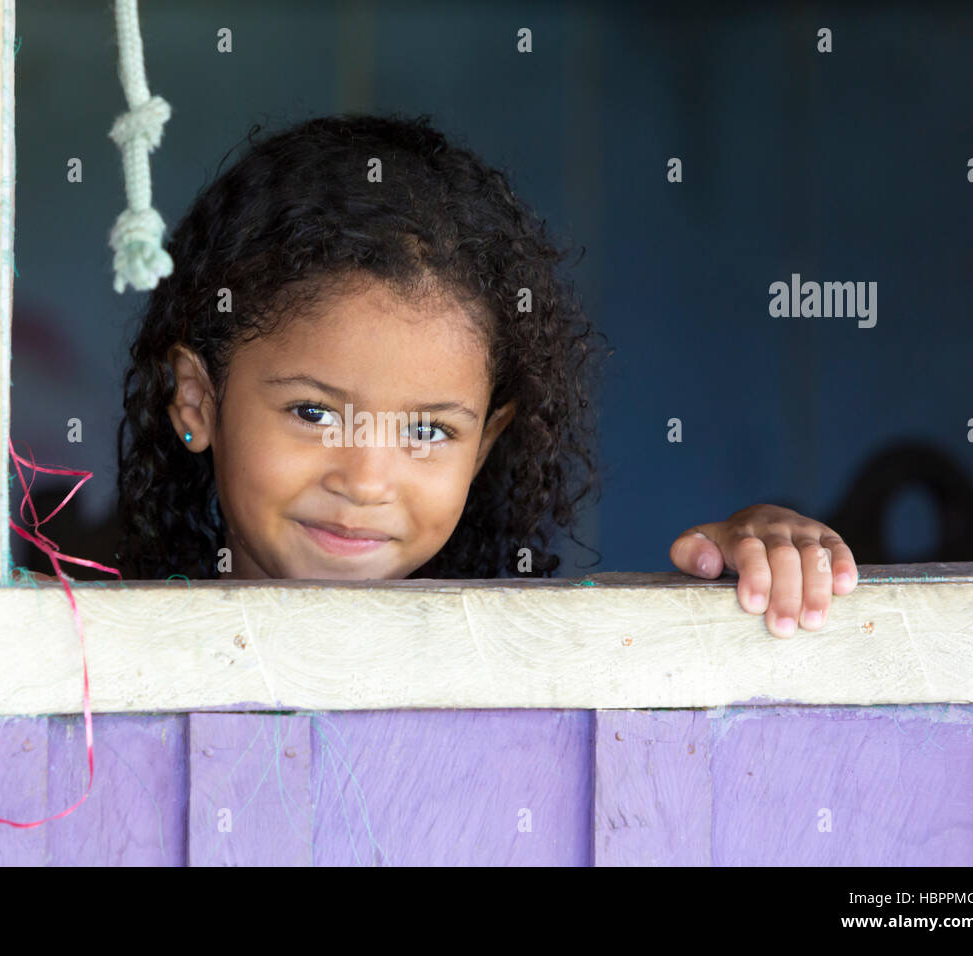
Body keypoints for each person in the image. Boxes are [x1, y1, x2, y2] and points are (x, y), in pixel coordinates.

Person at [115, 113, 857, 638]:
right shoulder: (101, 655)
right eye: (314, 413)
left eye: (428, 429)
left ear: (486, 441)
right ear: (198, 400)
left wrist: (746, 572)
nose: (368, 480)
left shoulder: (525, 662)